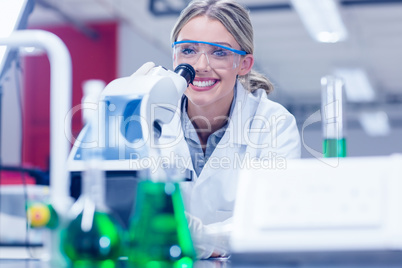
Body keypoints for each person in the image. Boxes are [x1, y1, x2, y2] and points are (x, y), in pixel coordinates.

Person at [139, 0, 301, 259]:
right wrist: (128, 106)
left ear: (244, 64)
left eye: (219, 53)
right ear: (174, 57)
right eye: (188, 50)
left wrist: (194, 237)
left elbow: (270, 221)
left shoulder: (273, 125)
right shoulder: (145, 117)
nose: (200, 65)